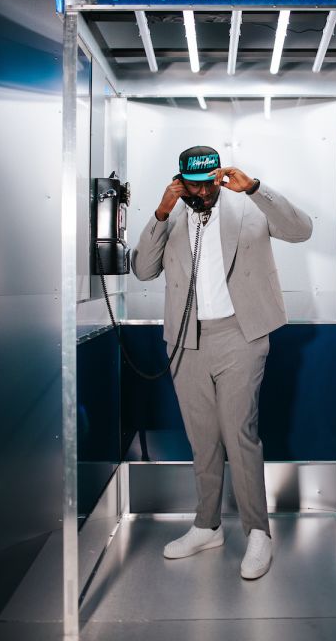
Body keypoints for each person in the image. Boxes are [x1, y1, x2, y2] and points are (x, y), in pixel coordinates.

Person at [130, 144, 312, 580]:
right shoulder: (171, 215)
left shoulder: (248, 208)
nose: (205, 191)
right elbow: (142, 270)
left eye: (210, 182)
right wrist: (160, 212)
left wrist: (255, 188)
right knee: (203, 438)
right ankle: (206, 525)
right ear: (181, 182)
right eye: (195, 185)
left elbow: (301, 230)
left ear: (220, 176)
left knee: (240, 433)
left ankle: (258, 534)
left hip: (239, 335)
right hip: (186, 340)